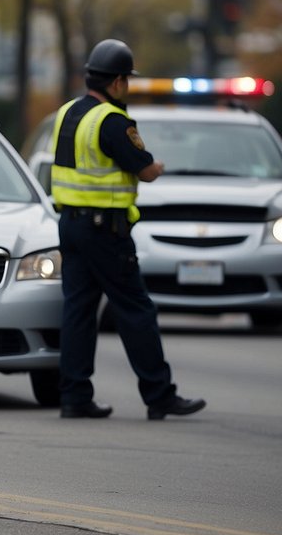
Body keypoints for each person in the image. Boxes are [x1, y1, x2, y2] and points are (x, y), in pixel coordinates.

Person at [50, 39, 206, 421]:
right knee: (136, 310)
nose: (129, 88)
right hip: (105, 229)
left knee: (78, 312)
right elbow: (145, 169)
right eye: (128, 81)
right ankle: (159, 395)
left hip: (70, 224)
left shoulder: (67, 112)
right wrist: (159, 166)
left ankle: (74, 396)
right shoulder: (112, 121)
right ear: (118, 81)